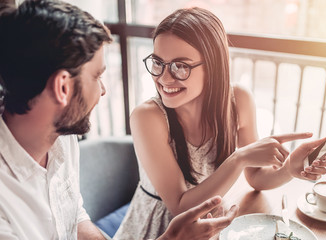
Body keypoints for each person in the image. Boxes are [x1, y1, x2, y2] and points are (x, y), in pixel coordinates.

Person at [0, 1, 238, 239]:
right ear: (63, 87)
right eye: (97, 76)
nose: (103, 90)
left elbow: (73, 219)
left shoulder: (60, 133)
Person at [113, 7, 326, 240]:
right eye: (158, 62)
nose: (164, 78)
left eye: (180, 66)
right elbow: (181, 206)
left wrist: (290, 168)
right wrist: (239, 158)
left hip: (215, 225)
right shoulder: (148, 117)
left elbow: (257, 178)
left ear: (213, 66)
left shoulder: (238, 100)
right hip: (160, 229)